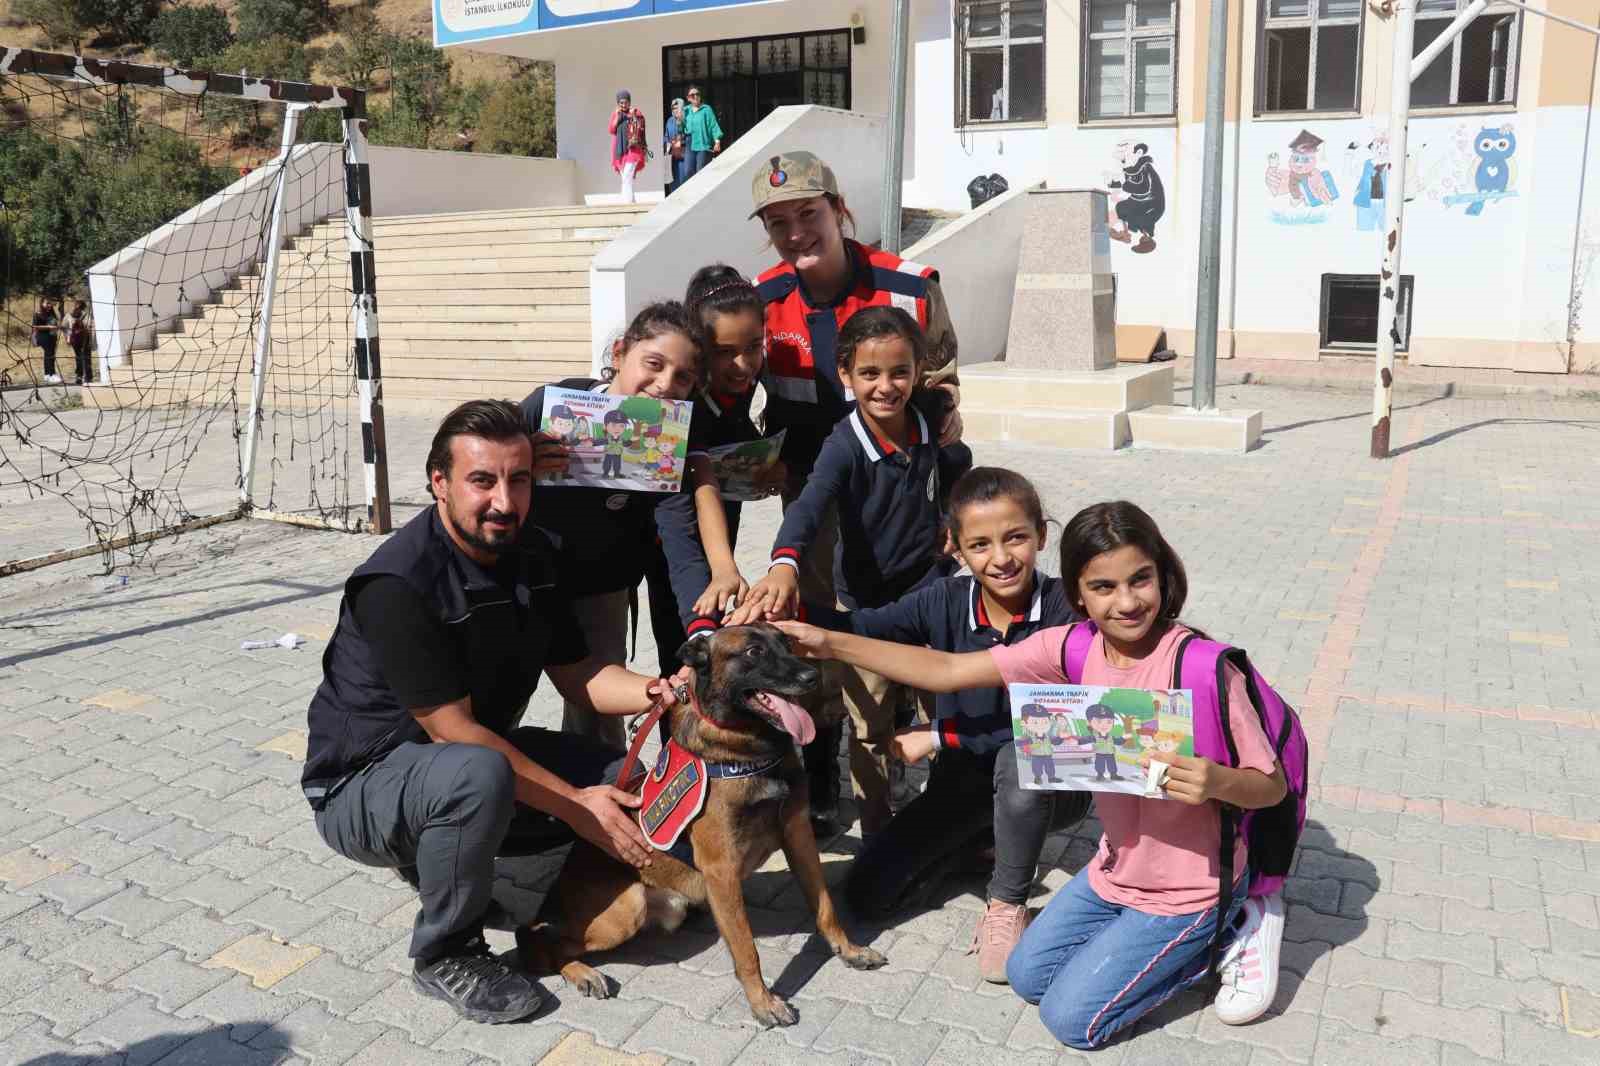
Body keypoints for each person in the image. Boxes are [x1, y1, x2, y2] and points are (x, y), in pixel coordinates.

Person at [774, 500, 1289, 1047]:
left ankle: (1234, 926)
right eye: (1104, 587)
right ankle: (1139, 939)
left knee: (1074, 1022)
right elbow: (947, 671)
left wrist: (1216, 781)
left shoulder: (1205, 666)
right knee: (1026, 975)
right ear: (1078, 595)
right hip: (1114, 874)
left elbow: (1271, 786)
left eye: (1141, 579)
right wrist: (829, 642)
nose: (1128, 601)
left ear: (1164, 573)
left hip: (1190, 888)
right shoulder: (1072, 646)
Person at [303, 399, 686, 1025]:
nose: (504, 502)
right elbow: (453, 731)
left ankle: (506, 892)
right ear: (439, 483)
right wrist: (576, 804)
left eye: (519, 479)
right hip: (361, 786)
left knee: (626, 774)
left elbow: (580, 675)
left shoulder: (530, 552)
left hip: (462, 765)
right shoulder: (398, 584)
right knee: (482, 775)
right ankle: (445, 951)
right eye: (482, 481)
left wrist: (659, 690)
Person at [736, 149, 965, 834]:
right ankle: (827, 764)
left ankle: (932, 763)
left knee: (908, 624)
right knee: (821, 630)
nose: (796, 233)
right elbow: (737, 393)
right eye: (779, 222)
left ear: (840, 212)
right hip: (812, 491)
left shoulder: (910, 289)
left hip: (899, 494)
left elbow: (946, 401)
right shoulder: (763, 299)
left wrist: (951, 504)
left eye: (808, 214)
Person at [803, 467, 1090, 982]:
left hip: (1054, 778)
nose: (1001, 558)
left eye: (1016, 538)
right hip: (967, 778)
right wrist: (785, 600)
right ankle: (977, 842)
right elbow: (860, 626)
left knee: (1018, 761)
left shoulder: (1067, 611)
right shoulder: (945, 599)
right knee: (869, 895)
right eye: (979, 544)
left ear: (1042, 536)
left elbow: (1067, 734)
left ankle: (1007, 904)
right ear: (955, 547)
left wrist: (938, 735)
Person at [519, 302, 704, 749]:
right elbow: (471, 466)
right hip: (522, 582)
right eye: (654, 364)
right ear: (620, 353)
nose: (664, 385)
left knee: (597, 719)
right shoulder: (551, 405)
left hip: (602, 591)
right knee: (500, 695)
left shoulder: (669, 444)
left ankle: (598, 798)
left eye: (682, 377)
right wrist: (522, 457)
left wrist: (703, 623)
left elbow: (680, 533)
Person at [649, 264, 775, 675]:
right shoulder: (682, 406)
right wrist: (723, 566)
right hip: (673, 544)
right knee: (682, 648)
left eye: (753, 346)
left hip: (724, 529)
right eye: (724, 352)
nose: (742, 364)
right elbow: (698, 481)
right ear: (700, 348)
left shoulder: (747, 383)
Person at [609, 90, 648, 204]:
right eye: (621, 102)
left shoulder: (635, 112)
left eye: (625, 102)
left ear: (629, 102)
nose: (623, 105)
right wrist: (617, 116)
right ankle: (632, 203)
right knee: (626, 179)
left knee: (627, 176)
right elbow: (611, 130)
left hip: (633, 149)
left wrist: (633, 114)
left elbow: (641, 124)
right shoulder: (616, 114)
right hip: (619, 151)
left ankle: (626, 204)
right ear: (618, 103)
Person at [680, 85, 722, 182]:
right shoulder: (685, 110)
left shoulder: (706, 109)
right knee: (688, 171)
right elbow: (681, 128)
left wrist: (717, 141)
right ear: (688, 98)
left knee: (701, 171)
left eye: (697, 94)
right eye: (692, 95)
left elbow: (713, 125)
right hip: (689, 142)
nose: (695, 96)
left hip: (703, 143)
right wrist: (679, 120)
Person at [32, 298, 61, 384]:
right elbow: (35, 326)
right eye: (47, 303)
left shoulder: (52, 313)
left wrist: (58, 326)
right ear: (42, 303)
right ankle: (52, 374)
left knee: (49, 354)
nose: (49, 305)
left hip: (52, 336)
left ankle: (47, 375)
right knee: (50, 354)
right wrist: (49, 327)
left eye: (50, 303)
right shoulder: (37, 314)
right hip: (42, 336)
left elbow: (55, 323)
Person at [663, 98, 687, 194]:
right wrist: (666, 144)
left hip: (685, 156)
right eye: (673, 108)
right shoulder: (670, 120)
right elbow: (666, 136)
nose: (675, 110)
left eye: (677, 108)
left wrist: (682, 141)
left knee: (684, 181)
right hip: (673, 156)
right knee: (673, 182)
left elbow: (692, 134)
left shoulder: (687, 119)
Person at [68, 300, 91, 385]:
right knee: (86, 357)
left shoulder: (69, 315)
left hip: (75, 338)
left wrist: (68, 337)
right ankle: (88, 377)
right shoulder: (86, 314)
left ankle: (79, 376)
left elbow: (64, 326)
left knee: (78, 357)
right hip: (85, 338)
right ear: (84, 306)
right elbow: (89, 326)